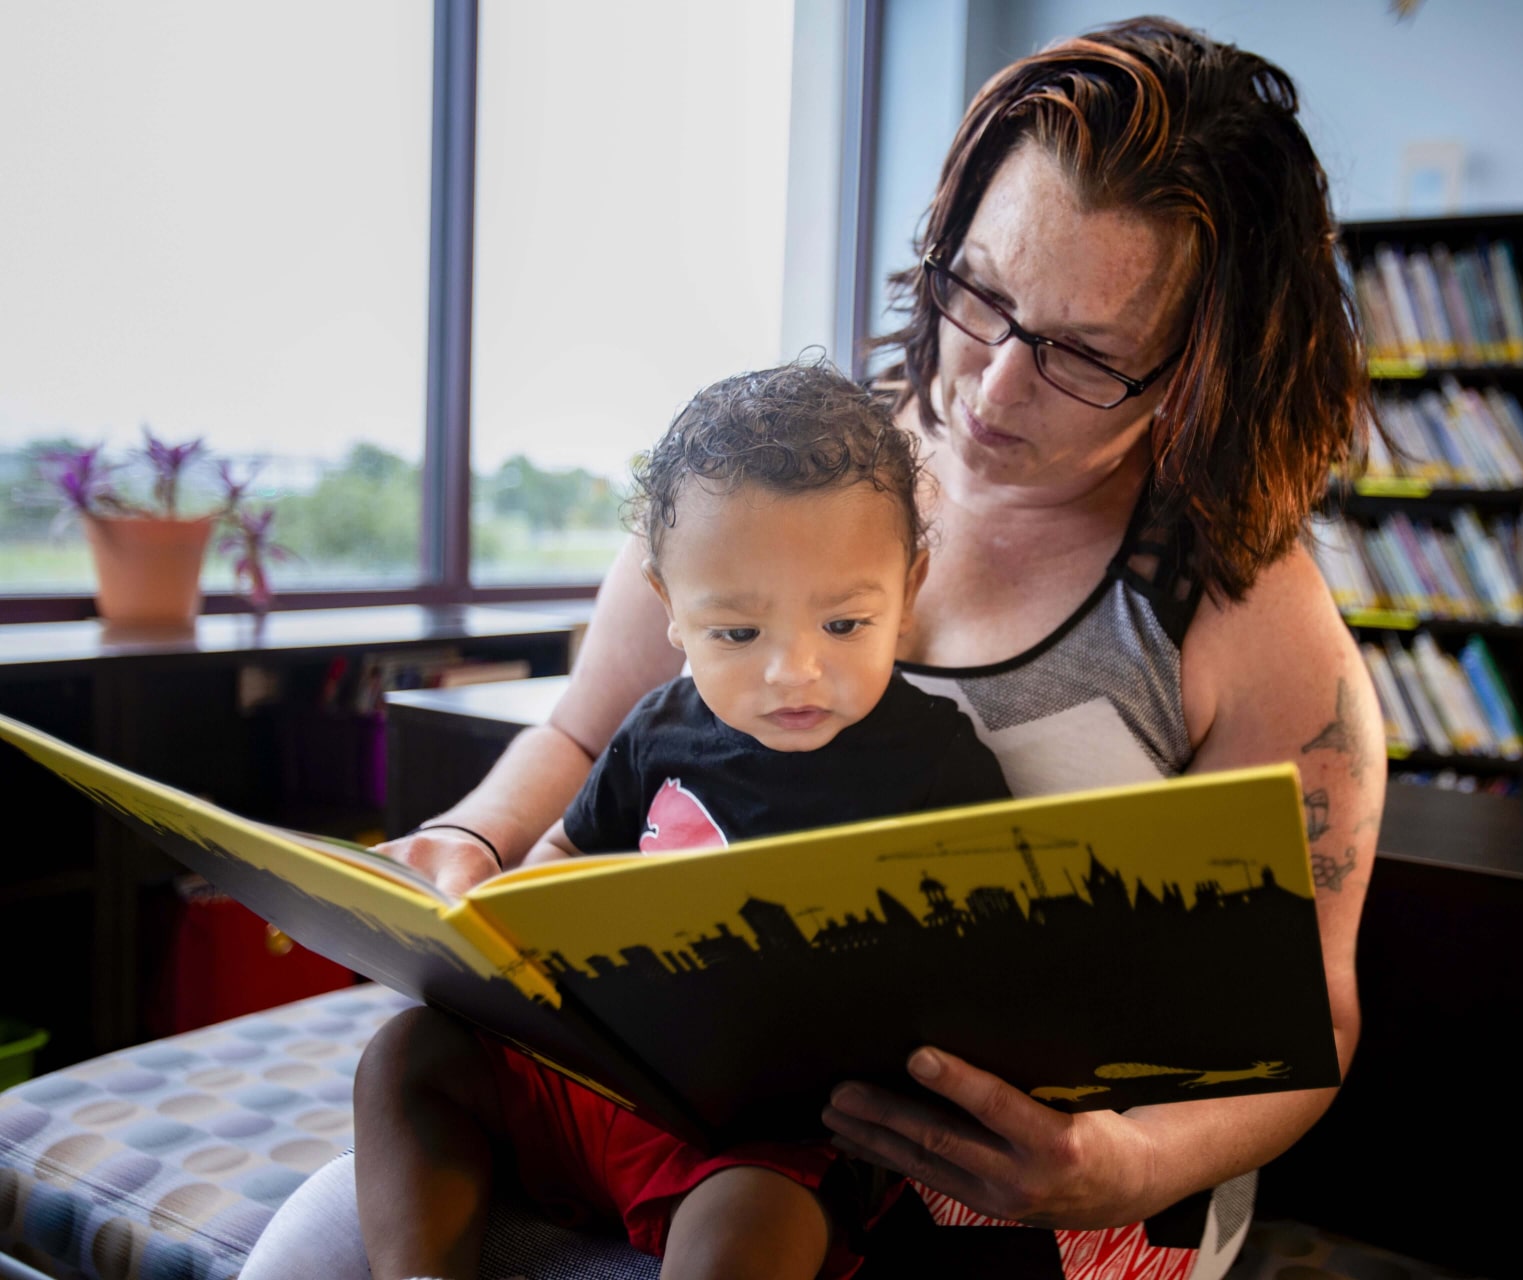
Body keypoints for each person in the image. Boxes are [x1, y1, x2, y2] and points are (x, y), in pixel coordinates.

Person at [242, 17, 1384, 1280]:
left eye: (1085, 355)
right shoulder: (778, 479)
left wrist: (1118, 1166)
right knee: (314, 1243)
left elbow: (1310, 1018)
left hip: (1017, 1212)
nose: (994, 388)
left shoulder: (1242, 610)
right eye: (984, 295)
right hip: (668, 1105)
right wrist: (466, 843)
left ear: (1203, 364)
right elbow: (584, 734)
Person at [352, 360, 1011, 1280]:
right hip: (605, 1086)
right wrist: (504, 929)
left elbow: (999, 960)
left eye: (845, 626)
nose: (794, 672)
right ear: (670, 610)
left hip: (769, 1136)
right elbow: (560, 857)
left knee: (757, 1225)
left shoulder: (938, 764)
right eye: (738, 634)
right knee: (406, 1056)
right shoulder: (657, 730)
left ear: (909, 593)